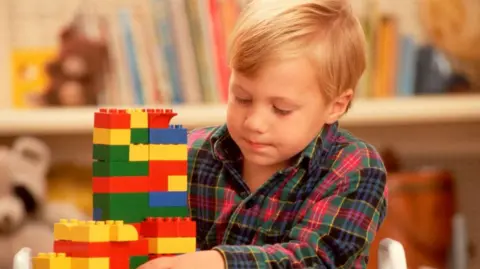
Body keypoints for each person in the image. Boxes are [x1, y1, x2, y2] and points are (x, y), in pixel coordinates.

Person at [139, 0, 387, 268]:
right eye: (242, 98)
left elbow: (316, 259)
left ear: (335, 105)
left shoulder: (354, 169)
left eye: (281, 109)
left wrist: (219, 263)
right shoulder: (186, 156)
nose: (254, 122)